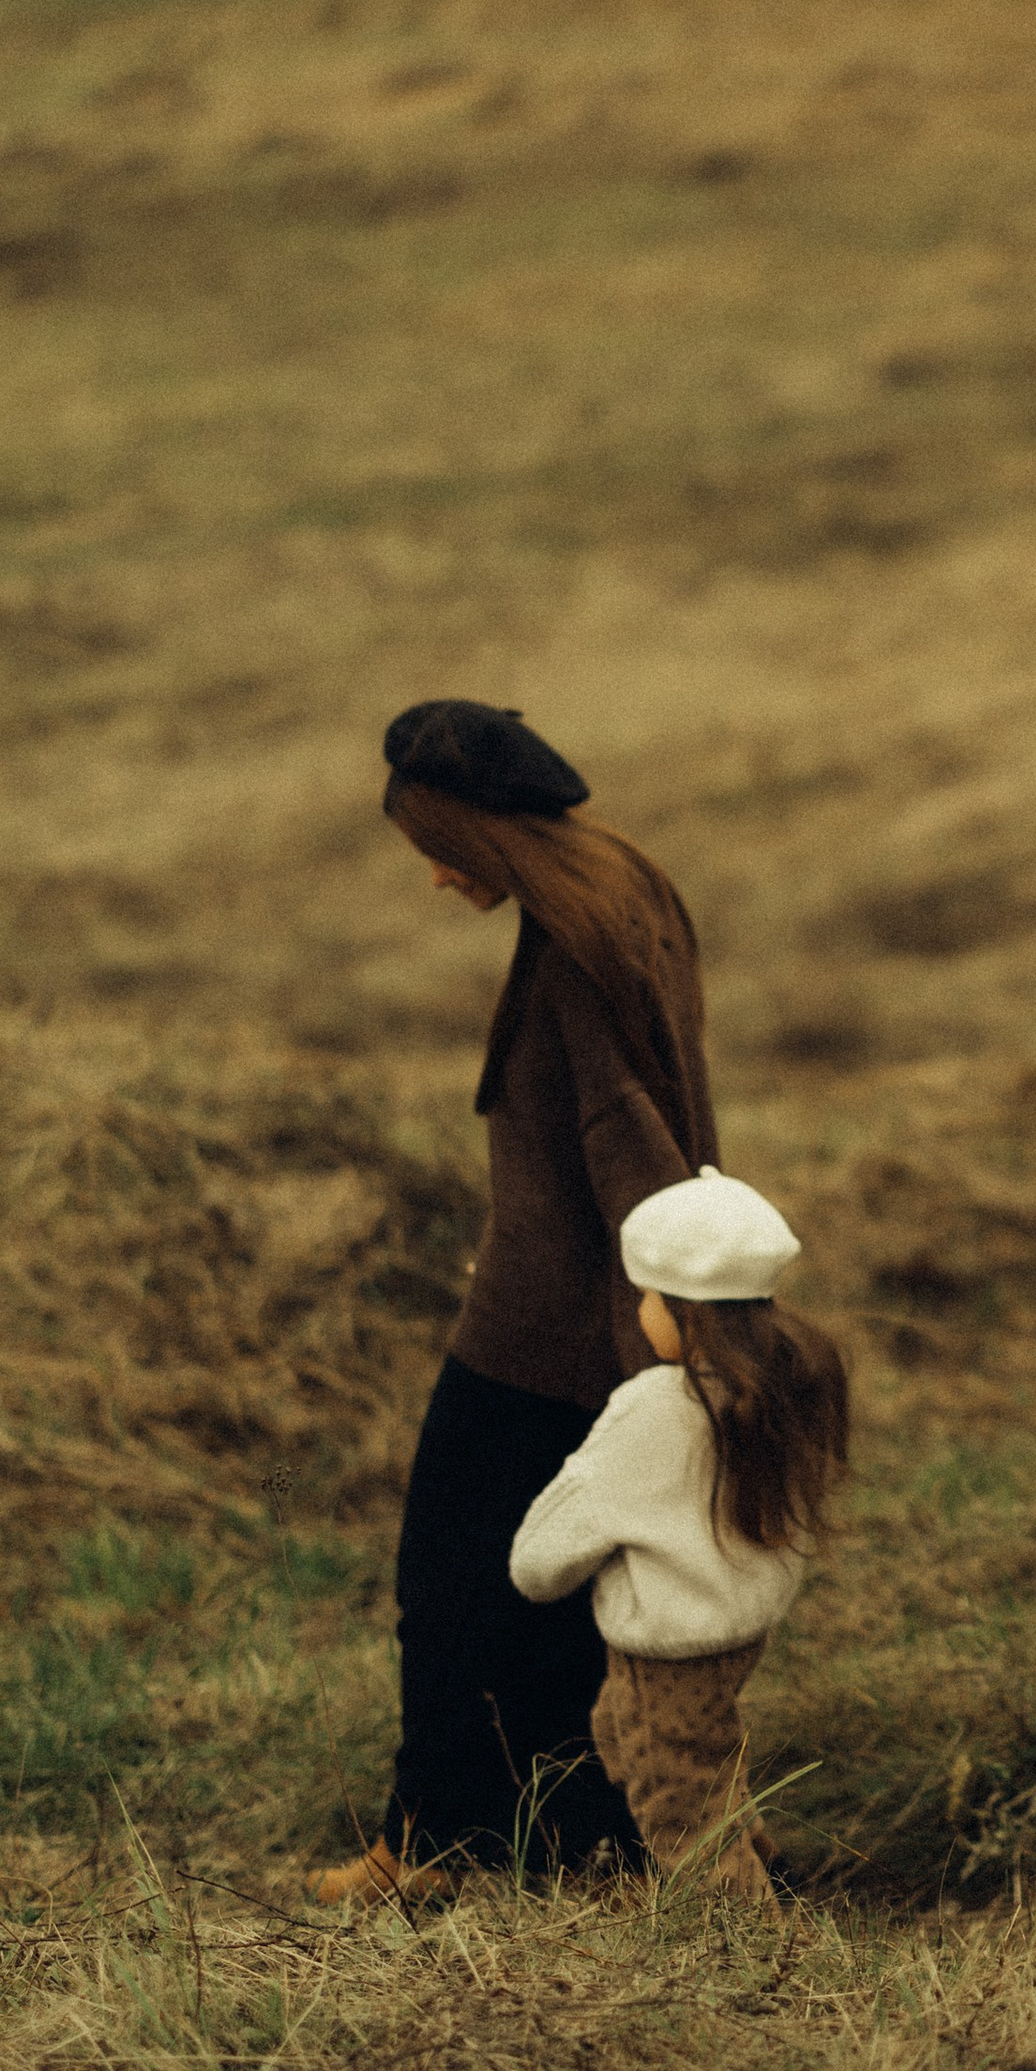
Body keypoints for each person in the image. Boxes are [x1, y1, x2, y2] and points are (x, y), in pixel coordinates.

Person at [307, 699, 717, 1901]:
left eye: (439, 849)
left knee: (449, 1591)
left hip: (553, 1332)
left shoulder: (583, 950)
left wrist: (673, 1329)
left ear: (490, 835)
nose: (435, 877)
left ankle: (428, 1850)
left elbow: (631, 1146)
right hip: (592, 1319)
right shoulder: (621, 887)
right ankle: (558, 1830)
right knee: (545, 1603)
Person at [508, 1170, 850, 1903]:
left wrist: (537, 1566)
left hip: (670, 1648)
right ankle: (757, 1850)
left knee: (676, 1799)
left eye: (650, 1297)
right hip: (731, 1637)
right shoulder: (777, 1387)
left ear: (687, 1312)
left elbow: (552, 1542)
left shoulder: (655, 1408)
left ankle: (744, 1929)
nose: (641, 1312)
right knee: (652, 1738)